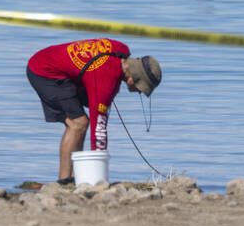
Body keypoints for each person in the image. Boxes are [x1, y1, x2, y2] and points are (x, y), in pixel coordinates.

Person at [26, 38, 162, 184]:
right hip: (45, 72)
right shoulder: (105, 81)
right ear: (132, 79)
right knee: (78, 123)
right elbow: (99, 130)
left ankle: (74, 177)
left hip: (55, 64)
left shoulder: (120, 52)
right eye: (142, 88)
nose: (140, 92)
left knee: (81, 122)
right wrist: (99, 168)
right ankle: (63, 181)